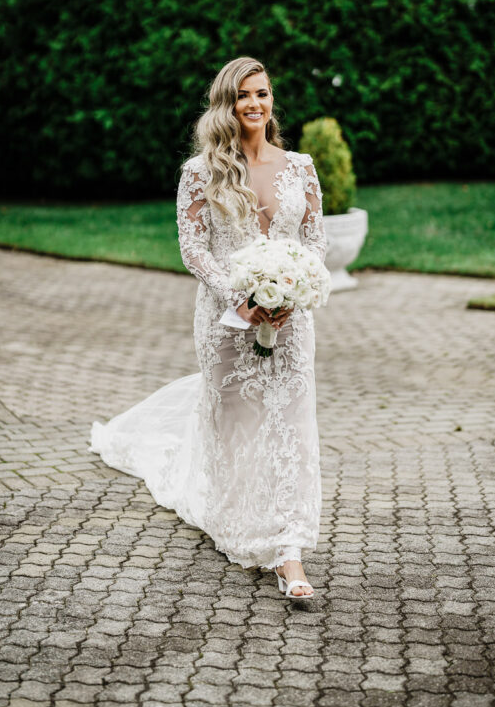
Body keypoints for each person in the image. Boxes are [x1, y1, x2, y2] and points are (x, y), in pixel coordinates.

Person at [89, 56, 327, 600]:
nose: (255, 104)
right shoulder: (201, 172)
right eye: (244, 95)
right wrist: (240, 297)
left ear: (272, 100)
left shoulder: (301, 167)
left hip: (290, 321)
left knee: (290, 426)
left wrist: (291, 292)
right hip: (226, 319)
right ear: (227, 104)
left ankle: (289, 549)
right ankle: (238, 518)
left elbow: (314, 242)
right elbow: (193, 248)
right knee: (234, 423)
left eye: (263, 94)